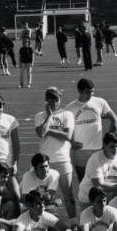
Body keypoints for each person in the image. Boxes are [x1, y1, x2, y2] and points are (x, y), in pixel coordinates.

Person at [65, 78, 117, 181]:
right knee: (83, 181)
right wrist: (71, 142)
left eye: (92, 91)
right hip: (80, 152)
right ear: (79, 91)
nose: (90, 94)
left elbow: (114, 120)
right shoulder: (70, 108)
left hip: (98, 150)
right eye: (87, 92)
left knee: (101, 181)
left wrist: (108, 140)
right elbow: (64, 129)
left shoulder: (100, 102)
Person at [34, 87, 77, 219]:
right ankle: (45, 224)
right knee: (44, 196)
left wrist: (50, 131)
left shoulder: (67, 114)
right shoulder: (40, 116)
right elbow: (41, 133)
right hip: (45, 162)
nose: (55, 104)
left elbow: (68, 135)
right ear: (46, 101)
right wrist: (49, 116)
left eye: (57, 100)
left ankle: (74, 223)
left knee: (68, 195)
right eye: (51, 101)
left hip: (62, 159)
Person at [77, 132, 117, 210]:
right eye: (112, 146)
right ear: (105, 145)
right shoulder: (95, 159)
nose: (115, 149)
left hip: (109, 195)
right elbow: (99, 185)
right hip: (89, 198)